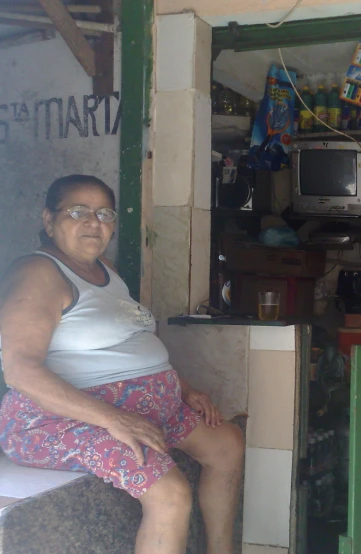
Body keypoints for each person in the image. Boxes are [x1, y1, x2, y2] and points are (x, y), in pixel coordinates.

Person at [0, 175, 244, 554]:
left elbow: (133, 343)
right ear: (49, 220)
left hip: (139, 409)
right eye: (77, 211)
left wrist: (185, 389)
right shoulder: (38, 272)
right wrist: (113, 420)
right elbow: (19, 370)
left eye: (103, 213)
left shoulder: (107, 270)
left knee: (226, 443)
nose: (92, 222)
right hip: (60, 420)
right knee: (169, 494)